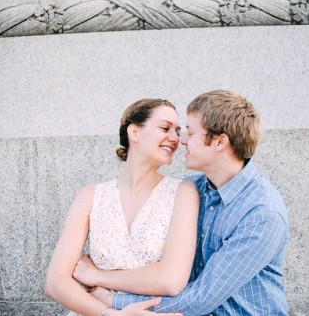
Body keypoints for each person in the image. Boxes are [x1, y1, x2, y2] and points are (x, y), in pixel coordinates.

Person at [74, 89, 290, 315]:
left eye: (190, 132)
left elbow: (202, 298)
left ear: (218, 142)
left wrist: (113, 300)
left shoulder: (262, 214)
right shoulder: (191, 189)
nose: (182, 141)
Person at [44, 98, 200, 316]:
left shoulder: (183, 193)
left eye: (178, 131)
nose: (176, 139)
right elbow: (55, 282)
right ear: (134, 133)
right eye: (165, 128)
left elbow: (171, 279)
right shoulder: (90, 196)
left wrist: (97, 276)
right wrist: (111, 314)